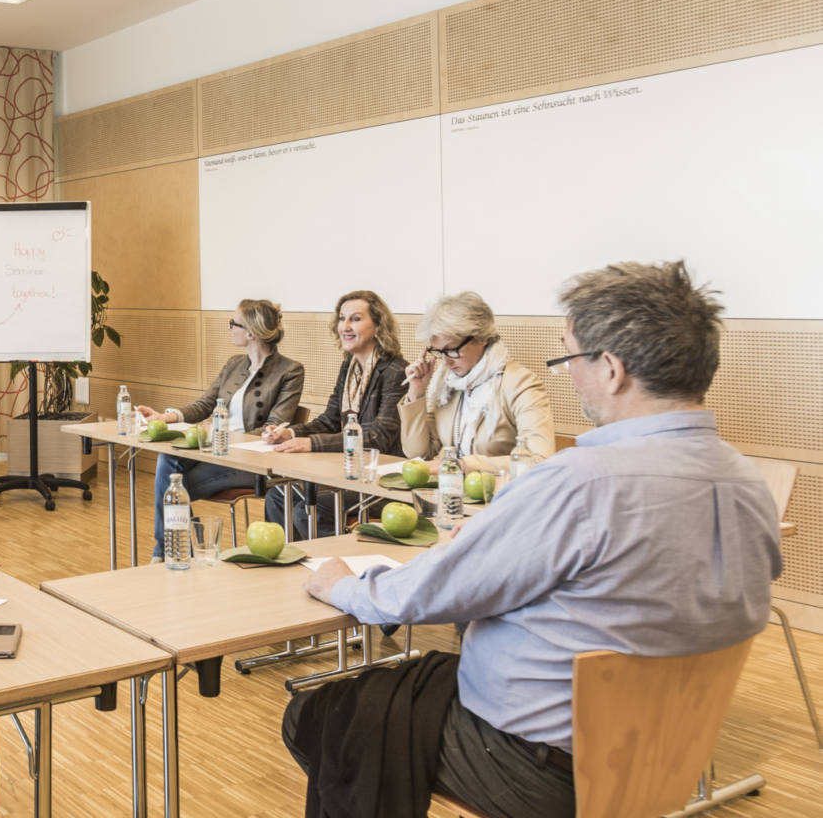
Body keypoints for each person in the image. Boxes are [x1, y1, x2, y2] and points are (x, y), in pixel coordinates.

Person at [285, 261, 783, 818]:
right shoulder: (747, 481)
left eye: (571, 357)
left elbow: (421, 596)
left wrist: (344, 584)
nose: (569, 374)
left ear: (612, 369)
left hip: (534, 764)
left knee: (322, 715)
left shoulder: (579, 482)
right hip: (668, 751)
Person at [134, 299, 304, 562]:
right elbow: (204, 404)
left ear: (251, 332)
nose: (229, 329)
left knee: (171, 486)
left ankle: (172, 552)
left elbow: (275, 423)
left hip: (251, 460)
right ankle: (173, 551)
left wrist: (223, 437)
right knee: (167, 459)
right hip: (214, 451)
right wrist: (164, 417)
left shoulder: (290, 371)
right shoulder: (234, 363)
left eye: (233, 324)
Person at [261, 290, 408, 538]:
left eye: (356, 319)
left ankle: (339, 571)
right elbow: (329, 421)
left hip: (384, 479)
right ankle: (291, 567)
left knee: (308, 510)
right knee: (278, 495)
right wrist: (290, 433)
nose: (345, 326)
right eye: (342, 318)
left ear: (379, 325)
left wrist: (310, 443)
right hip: (348, 472)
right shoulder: (348, 366)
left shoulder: (396, 370)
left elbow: (379, 438)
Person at [399, 291, 556, 471]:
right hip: (457, 491)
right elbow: (417, 453)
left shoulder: (521, 383)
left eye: (452, 350)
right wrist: (416, 392)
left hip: (502, 493)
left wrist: (462, 465)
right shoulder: (447, 382)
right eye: (439, 352)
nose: (446, 361)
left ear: (482, 337)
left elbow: (540, 460)